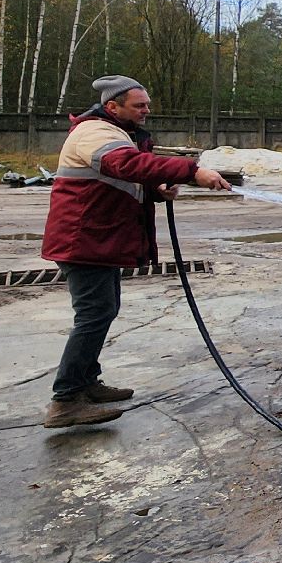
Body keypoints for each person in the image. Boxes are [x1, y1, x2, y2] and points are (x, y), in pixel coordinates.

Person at [39, 75, 230, 427]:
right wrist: (192, 171)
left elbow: (120, 180)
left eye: (147, 105)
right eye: (138, 106)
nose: (146, 111)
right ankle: (65, 399)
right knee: (94, 315)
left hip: (95, 241)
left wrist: (157, 191)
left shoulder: (117, 133)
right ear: (113, 106)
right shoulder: (94, 132)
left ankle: (86, 384)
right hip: (82, 241)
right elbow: (126, 166)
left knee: (103, 311)